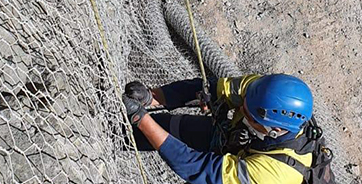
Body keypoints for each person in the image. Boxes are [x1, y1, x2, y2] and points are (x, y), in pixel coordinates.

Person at [122, 73, 322, 184]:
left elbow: (197, 167)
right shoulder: (258, 90)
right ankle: (119, 136)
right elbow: (210, 88)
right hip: (233, 143)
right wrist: (153, 98)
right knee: (168, 127)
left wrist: (141, 118)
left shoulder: (275, 174)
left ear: (275, 130)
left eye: (249, 116)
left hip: (245, 174)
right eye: (242, 103)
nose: (241, 109)